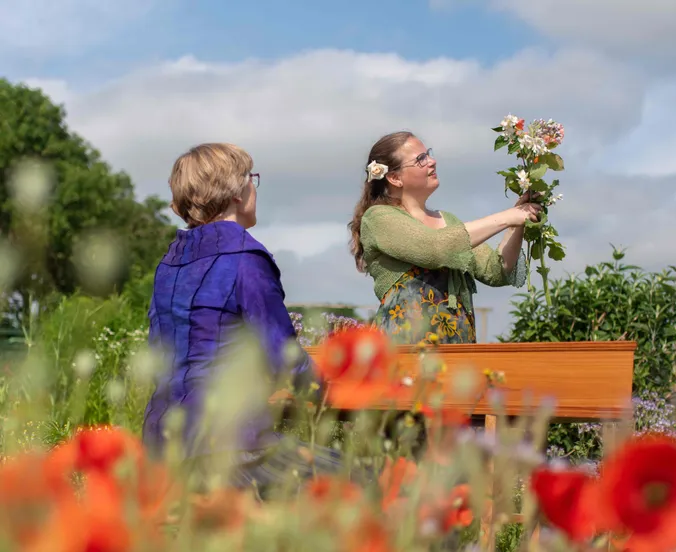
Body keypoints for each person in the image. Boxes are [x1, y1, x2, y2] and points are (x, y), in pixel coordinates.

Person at [141, 143, 343, 497]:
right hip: (230, 448)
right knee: (369, 482)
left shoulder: (168, 265)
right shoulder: (244, 257)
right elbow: (287, 359)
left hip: (162, 446)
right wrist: (336, 389)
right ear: (236, 190)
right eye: (252, 179)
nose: (254, 189)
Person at [348, 131, 541, 345]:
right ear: (394, 177)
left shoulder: (448, 221)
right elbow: (434, 248)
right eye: (420, 159)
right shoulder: (378, 218)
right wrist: (506, 217)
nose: (432, 161)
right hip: (403, 352)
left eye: (428, 154)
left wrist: (518, 219)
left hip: (458, 353)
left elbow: (496, 270)